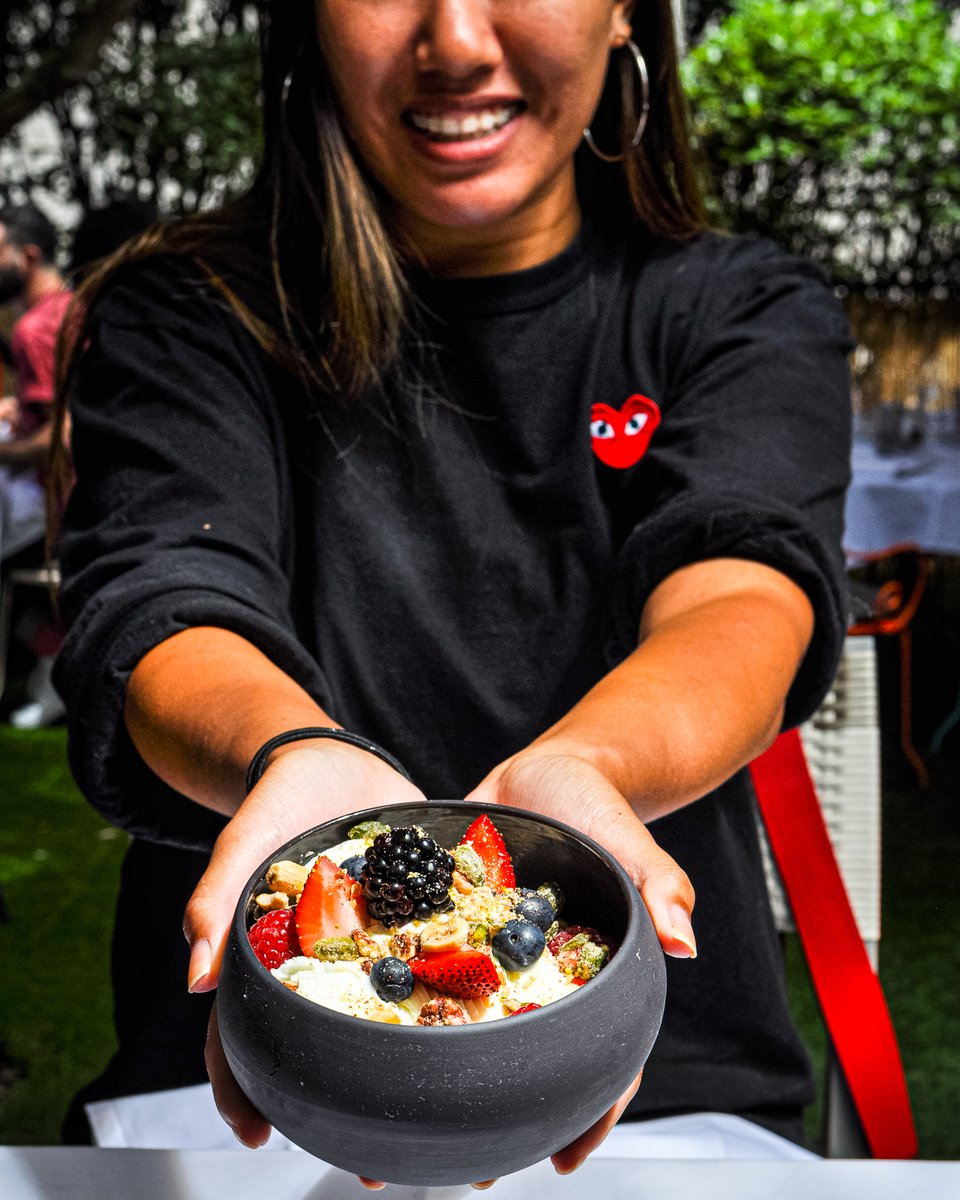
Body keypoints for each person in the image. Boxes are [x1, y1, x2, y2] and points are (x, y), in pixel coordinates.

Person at [52, 0, 852, 1174]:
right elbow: (166, 595)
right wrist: (295, 757)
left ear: (623, 11)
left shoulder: (739, 309)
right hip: (255, 1079)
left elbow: (742, 597)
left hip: (668, 1077)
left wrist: (587, 768)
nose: (459, 42)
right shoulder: (189, 312)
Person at [0, 204, 72, 727]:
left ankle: (51, 673)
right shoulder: (73, 307)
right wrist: (18, 411)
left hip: (57, 500)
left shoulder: (34, 329)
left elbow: (60, 436)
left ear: (26, 257)